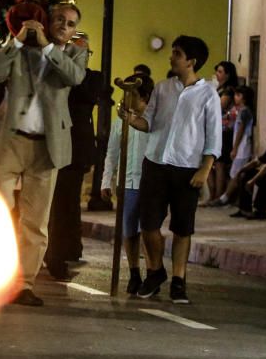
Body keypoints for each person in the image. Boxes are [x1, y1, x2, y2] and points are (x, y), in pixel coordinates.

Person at [0, 2, 87, 306]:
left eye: (70, 23)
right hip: (10, 140)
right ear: (46, 20)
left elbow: (74, 78)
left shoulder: (74, 53)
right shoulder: (20, 50)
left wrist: (46, 48)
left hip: (46, 146)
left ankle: (23, 284)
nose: (64, 27)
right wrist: (16, 38)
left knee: (35, 222)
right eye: (59, 20)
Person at [122, 36, 222, 305]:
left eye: (177, 53)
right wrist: (131, 120)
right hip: (155, 163)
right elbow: (149, 122)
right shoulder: (163, 88)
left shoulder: (208, 94)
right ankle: (156, 271)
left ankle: (179, 280)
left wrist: (205, 169)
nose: (171, 57)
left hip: (187, 168)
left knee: (182, 228)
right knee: (149, 225)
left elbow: (214, 136)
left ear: (191, 61)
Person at [45, 32, 105, 280]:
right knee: (55, 202)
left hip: (77, 147)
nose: (82, 57)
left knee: (69, 201)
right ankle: (55, 251)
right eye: (76, 51)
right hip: (56, 142)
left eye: (85, 53)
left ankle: (69, 247)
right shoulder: (57, 76)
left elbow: (86, 94)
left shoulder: (92, 78)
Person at [101, 73, 155, 295]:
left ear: (144, 97)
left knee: (150, 231)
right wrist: (107, 180)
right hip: (128, 182)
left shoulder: (153, 121)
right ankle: (134, 272)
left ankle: (153, 271)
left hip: (150, 182)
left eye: (132, 94)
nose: (127, 99)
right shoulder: (118, 122)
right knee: (129, 231)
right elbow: (112, 153)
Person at [232, 123, 266, 219]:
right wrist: (240, 172)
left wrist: (252, 181)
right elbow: (257, 162)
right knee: (248, 173)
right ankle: (244, 209)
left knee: (265, 177)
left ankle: (260, 211)